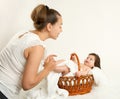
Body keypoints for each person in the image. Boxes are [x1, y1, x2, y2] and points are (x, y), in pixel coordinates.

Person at [0, 4, 69, 99]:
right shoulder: (37, 47)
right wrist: (47, 69)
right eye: (60, 26)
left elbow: (18, 63)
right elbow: (27, 85)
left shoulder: (23, 33)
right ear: (49, 27)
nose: (61, 30)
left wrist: (43, 65)